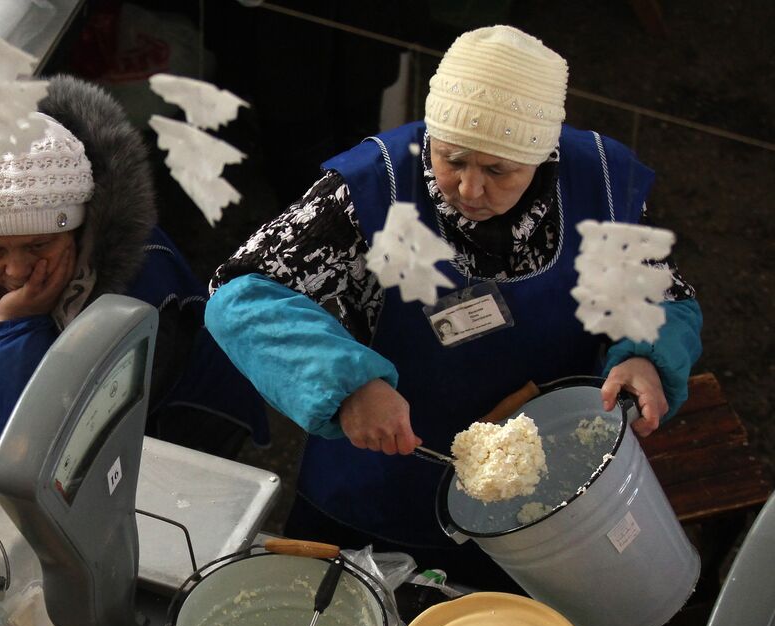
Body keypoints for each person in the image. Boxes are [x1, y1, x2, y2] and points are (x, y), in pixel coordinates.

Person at [205, 25, 702, 586]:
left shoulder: (601, 184)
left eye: (498, 171)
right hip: (382, 482)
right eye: (452, 159)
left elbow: (659, 295)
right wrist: (345, 384)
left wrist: (644, 355)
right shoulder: (371, 190)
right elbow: (241, 295)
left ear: (543, 156)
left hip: (550, 492)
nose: (468, 189)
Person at [0, 75, 267, 469]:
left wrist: (16, 326)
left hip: (158, 454)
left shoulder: (140, 294)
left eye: (39, 245)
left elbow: (55, 447)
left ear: (77, 229)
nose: (15, 270)